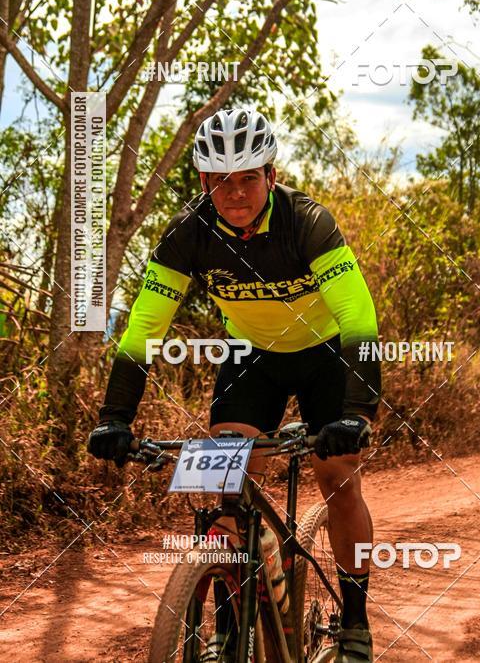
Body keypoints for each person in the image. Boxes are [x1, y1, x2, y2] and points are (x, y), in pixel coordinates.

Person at [88, 107, 381, 663]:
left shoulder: (308, 222)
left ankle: (356, 626)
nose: (235, 192)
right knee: (225, 484)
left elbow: (359, 319)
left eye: (248, 177)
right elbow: (145, 328)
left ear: (271, 176)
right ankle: (229, 624)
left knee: (337, 476)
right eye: (221, 179)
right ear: (204, 181)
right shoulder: (186, 234)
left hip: (325, 355)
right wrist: (115, 417)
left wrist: (356, 413)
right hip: (253, 357)